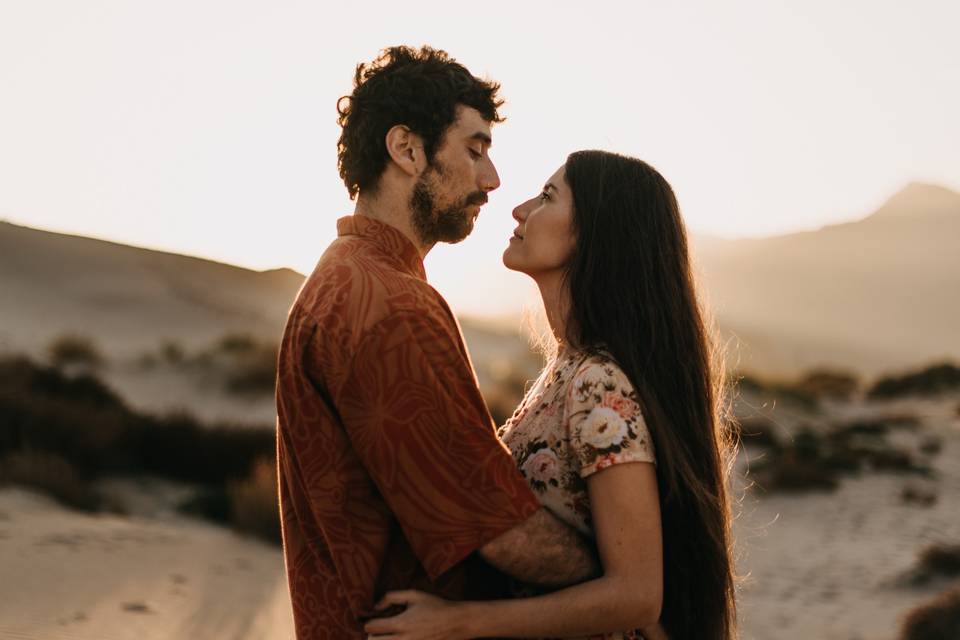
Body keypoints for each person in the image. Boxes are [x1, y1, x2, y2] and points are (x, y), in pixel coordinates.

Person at [274, 46, 601, 639]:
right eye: (474, 150)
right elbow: (499, 531)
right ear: (406, 149)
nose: (492, 179)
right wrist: (625, 583)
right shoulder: (390, 305)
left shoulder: (340, 276)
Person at [364, 151, 739, 640]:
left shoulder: (597, 383)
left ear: (591, 235)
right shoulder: (566, 369)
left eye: (547, 197)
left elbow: (637, 594)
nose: (519, 209)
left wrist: (460, 623)